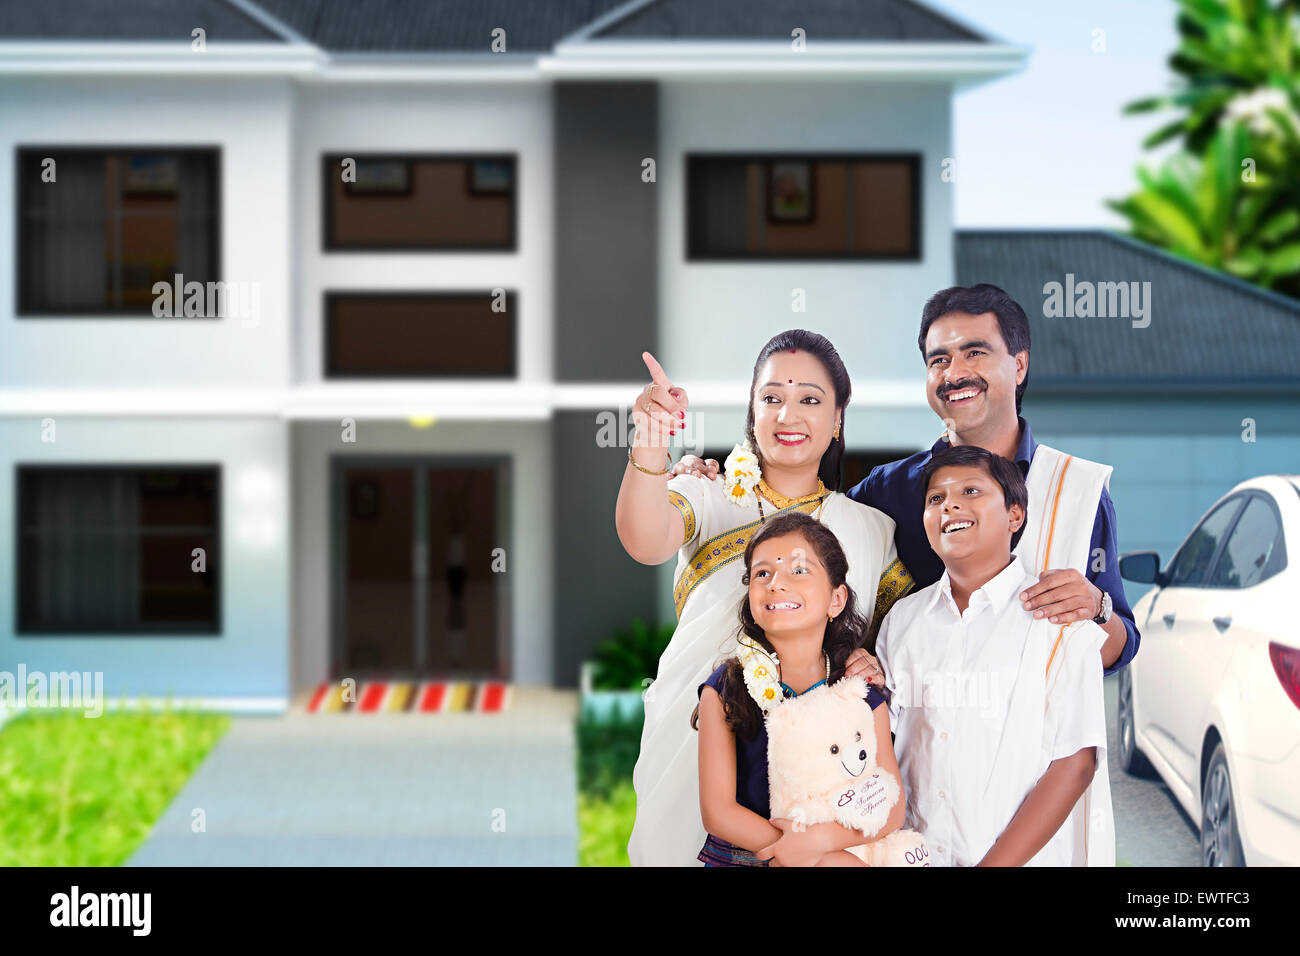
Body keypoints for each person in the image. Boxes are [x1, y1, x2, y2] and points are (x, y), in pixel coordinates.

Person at [673, 284, 1140, 684]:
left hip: (1040, 755)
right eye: (939, 359)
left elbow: (1117, 649)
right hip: (913, 759)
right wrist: (712, 475)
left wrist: (1095, 609)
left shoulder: (1075, 490)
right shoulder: (889, 490)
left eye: (975, 352)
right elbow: (798, 524)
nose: (955, 373)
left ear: (1019, 366)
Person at [616, 330, 911, 866]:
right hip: (695, 743)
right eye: (772, 398)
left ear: (839, 417)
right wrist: (651, 437)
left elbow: (895, 640)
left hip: (818, 775)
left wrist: (873, 659)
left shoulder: (871, 530)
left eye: (811, 400)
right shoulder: (706, 493)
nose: (788, 415)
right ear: (752, 411)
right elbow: (642, 540)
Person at [876, 444, 1113, 866]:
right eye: (936, 499)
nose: (951, 504)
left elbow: (1076, 762)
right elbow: (885, 744)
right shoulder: (902, 621)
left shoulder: (1056, 619)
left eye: (971, 491)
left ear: (1014, 515)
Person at [693, 512, 904, 866]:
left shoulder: (861, 693)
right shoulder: (726, 689)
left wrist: (819, 845)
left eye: (799, 570)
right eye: (762, 573)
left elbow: (892, 806)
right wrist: (789, 851)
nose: (776, 583)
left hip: (833, 852)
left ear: (836, 600)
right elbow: (718, 811)